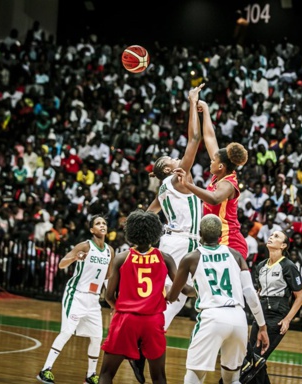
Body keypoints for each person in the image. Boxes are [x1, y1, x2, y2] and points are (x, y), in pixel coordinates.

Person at [128, 84, 205, 383]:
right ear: (167, 169)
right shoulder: (177, 179)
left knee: (175, 301)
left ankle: (142, 345)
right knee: (174, 299)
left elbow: (147, 215)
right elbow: (195, 138)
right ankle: (141, 344)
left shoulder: (163, 188)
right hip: (182, 241)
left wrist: (138, 241)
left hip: (176, 239)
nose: (175, 159)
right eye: (169, 161)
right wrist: (191, 102)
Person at [165, 214, 270, 384]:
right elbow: (250, 293)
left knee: (193, 377)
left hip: (212, 318)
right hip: (238, 319)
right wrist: (262, 327)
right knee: (232, 379)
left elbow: (174, 296)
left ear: (199, 233)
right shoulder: (235, 255)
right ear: (221, 235)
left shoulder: (191, 258)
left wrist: (168, 290)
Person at [98, 209, 194, 384]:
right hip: (153, 321)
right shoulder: (165, 258)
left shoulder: (121, 258)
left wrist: (116, 307)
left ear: (131, 232)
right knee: (159, 378)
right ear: (155, 232)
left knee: (106, 374)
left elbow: (109, 295)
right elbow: (186, 289)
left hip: (126, 319)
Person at [37, 214, 115, 384]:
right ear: (91, 229)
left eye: (104, 223)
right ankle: (45, 370)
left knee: (97, 338)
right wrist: (74, 257)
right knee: (66, 332)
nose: (102, 225)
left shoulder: (110, 251)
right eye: (98, 223)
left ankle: (90, 375)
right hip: (76, 294)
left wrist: (112, 303)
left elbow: (108, 278)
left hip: (94, 300)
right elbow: (61, 264)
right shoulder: (85, 246)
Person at [174, 98, 249, 258]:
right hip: (215, 241)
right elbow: (209, 138)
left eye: (214, 160)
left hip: (230, 242)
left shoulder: (228, 184)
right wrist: (205, 109)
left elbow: (214, 199)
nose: (211, 160)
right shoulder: (221, 173)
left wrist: (188, 184)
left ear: (221, 166)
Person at [247, 230, 302, 383]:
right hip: (260, 315)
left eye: (277, 236)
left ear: (283, 245)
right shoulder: (260, 266)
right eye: (271, 235)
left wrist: (287, 320)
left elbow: (299, 297)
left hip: (277, 315)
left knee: (256, 359)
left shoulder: (288, 266)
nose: (271, 237)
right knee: (253, 359)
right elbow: (259, 292)